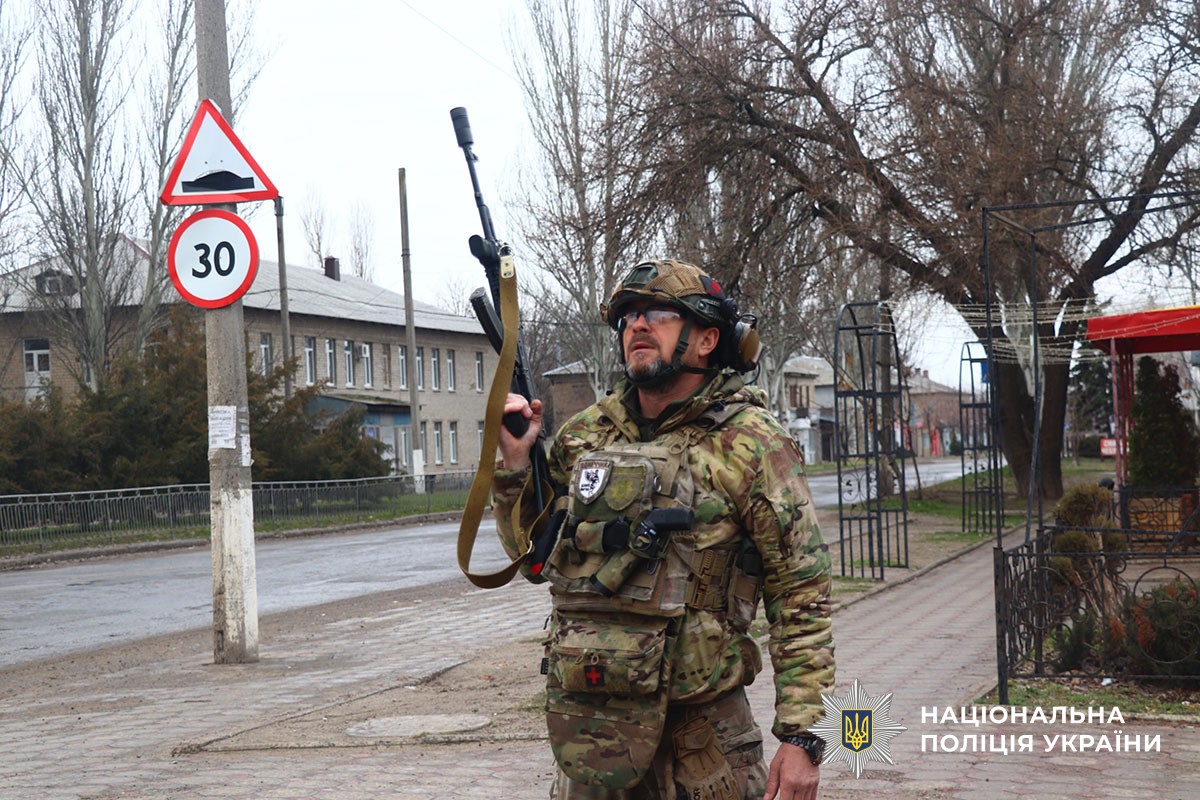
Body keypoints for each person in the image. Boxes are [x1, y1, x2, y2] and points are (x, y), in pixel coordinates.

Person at [491, 258, 834, 800]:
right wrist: (514, 468)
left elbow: (801, 595)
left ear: (707, 339)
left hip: (702, 740)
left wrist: (804, 736)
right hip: (593, 735)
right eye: (627, 317)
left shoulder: (751, 443)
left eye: (657, 314)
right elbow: (534, 560)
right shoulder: (585, 436)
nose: (637, 326)